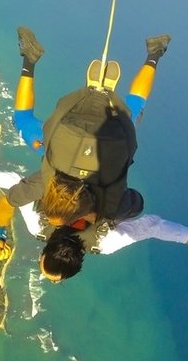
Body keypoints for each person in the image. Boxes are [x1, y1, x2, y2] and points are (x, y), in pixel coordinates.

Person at [0, 155, 188, 282]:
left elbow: (153, 226)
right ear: (44, 251)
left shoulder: (104, 244)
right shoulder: (38, 226)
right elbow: (13, 185)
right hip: (69, 166)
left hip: (107, 173)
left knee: (131, 205)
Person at [12, 26, 170, 224]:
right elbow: (12, 199)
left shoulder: (109, 207)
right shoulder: (45, 182)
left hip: (114, 133)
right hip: (71, 131)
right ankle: (29, 60)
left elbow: (137, 203)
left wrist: (100, 215)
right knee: (22, 119)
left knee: (135, 105)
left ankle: (155, 53)